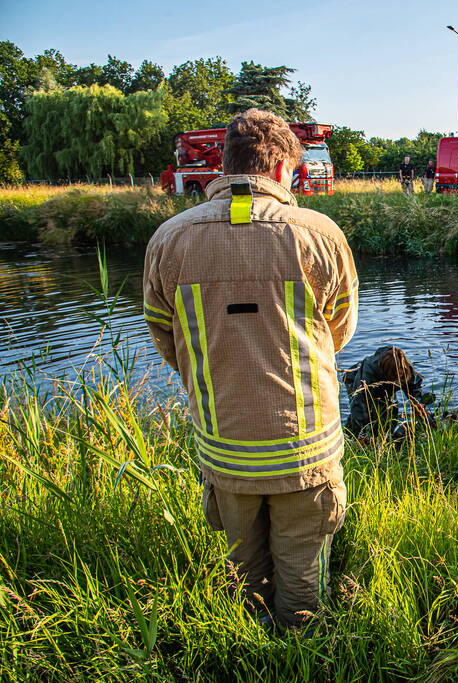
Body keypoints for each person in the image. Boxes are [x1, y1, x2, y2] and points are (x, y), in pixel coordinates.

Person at [142, 108, 358, 629]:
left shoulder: (169, 238)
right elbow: (339, 331)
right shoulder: (320, 234)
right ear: (283, 168)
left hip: (224, 443)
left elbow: (166, 337)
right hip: (305, 445)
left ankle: (248, 647)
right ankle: (300, 648)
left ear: (225, 162)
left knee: (244, 573)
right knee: (303, 570)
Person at [342, 346, 434, 437]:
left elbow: (414, 387)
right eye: (395, 378)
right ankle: (350, 436)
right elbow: (359, 404)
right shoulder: (369, 370)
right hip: (354, 380)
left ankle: (384, 437)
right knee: (365, 414)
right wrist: (360, 435)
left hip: (385, 383)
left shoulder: (406, 367)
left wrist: (418, 405)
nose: (398, 381)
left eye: (400, 376)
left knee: (390, 412)